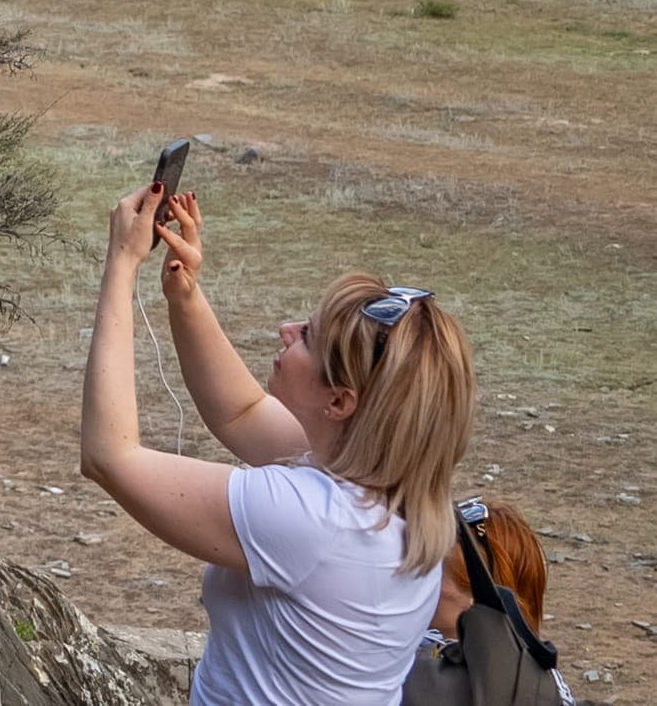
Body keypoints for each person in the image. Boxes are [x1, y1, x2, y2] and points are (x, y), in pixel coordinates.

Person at [77, 180, 477, 706]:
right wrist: (185, 293)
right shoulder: (390, 490)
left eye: (307, 336)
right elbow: (240, 414)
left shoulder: (314, 521)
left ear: (340, 402)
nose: (287, 329)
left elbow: (109, 457)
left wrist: (121, 263)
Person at [412, 499, 573, 703]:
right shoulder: (540, 680)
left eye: (433, 570)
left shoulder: (414, 666)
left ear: (480, 598)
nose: (414, 579)